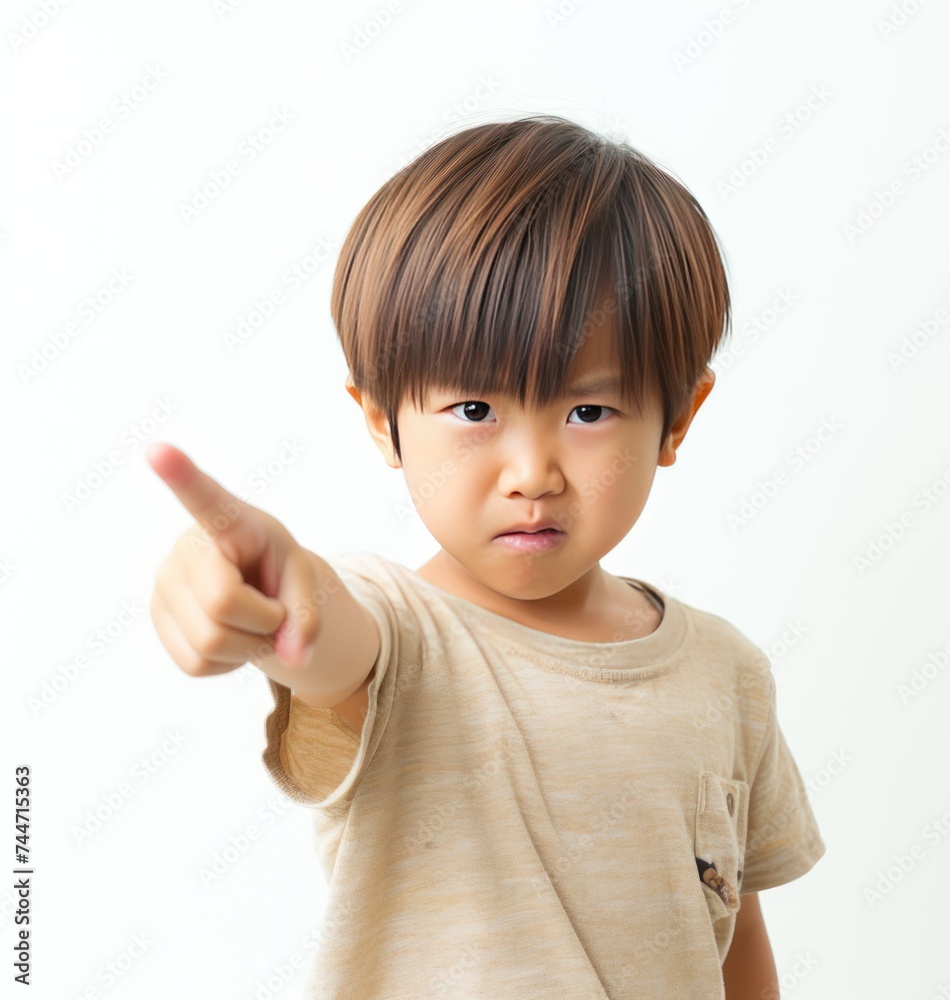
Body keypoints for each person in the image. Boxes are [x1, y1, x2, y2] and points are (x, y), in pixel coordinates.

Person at [147, 114, 825, 999]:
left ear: (680, 418)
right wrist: (275, 598)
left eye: (589, 413)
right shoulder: (394, 629)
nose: (533, 473)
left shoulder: (728, 673)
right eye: (474, 410)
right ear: (382, 419)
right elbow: (335, 640)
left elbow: (732, 942)